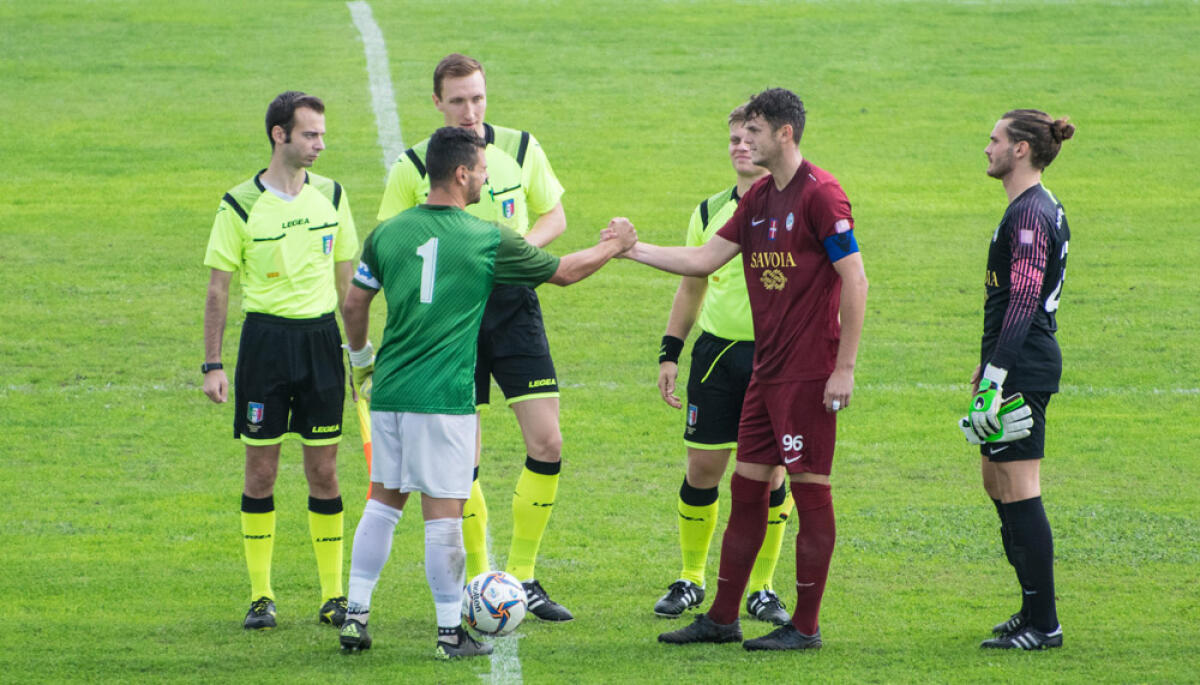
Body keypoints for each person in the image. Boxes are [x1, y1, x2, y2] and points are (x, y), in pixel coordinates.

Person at [337, 127, 635, 658]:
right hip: (443, 398)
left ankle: (355, 615)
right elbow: (564, 273)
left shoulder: (386, 234)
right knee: (444, 518)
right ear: (460, 174)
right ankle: (451, 632)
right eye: (480, 170)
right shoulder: (486, 238)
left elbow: (354, 305)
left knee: (382, 504)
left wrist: (361, 362)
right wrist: (614, 245)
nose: (486, 177)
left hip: (390, 392)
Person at [617, 87, 868, 651]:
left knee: (809, 494)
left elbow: (856, 280)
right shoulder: (757, 200)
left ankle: (804, 627)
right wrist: (631, 250)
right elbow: (704, 260)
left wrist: (843, 368)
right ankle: (722, 618)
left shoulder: (821, 195)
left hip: (808, 373)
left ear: (784, 134)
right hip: (765, 373)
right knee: (746, 489)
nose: (742, 141)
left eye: (753, 131)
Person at [376, 53, 573, 621]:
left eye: (478, 98)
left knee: (548, 442)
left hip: (513, 306)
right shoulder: (416, 163)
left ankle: (525, 576)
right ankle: (481, 577)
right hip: (451, 315)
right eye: (458, 100)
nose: (470, 110)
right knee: (462, 459)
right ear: (437, 102)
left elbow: (554, 214)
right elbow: (390, 239)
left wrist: (515, 258)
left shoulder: (521, 146)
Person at [202, 91, 358, 630]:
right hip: (264, 345)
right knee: (261, 470)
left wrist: (356, 352)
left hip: (321, 343)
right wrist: (212, 363)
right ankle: (261, 596)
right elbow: (219, 287)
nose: (320, 144)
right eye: (310, 134)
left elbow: (348, 283)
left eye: (321, 134)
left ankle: (334, 595)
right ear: (279, 135)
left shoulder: (333, 196)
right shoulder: (240, 203)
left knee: (324, 470)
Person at [652, 104, 793, 626]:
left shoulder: (797, 205)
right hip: (716, 356)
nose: (739, 146)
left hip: (775, 356)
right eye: (732, 138)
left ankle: (762, 587)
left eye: (748, 137)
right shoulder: (710, 210)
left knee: (771, 474)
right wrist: (671, 351)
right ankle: (691, 578)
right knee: (703, 468)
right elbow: (692, 283)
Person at [965, 109, 1074, 650]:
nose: (987, 148)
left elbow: (1026, 298)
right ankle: (1030, 606)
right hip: (1012, 360)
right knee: (995, 480)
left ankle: (1044, 624)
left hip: (1024, 365)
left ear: (1022, 150)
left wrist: (998, 374)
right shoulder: (1030, 207)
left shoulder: (1030, 214)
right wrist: (987, 366)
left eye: (995, 140)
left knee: (1019, 487)